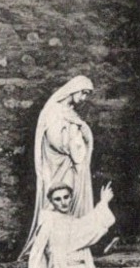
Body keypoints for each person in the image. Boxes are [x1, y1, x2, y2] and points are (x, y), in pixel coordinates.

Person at [20, 74, 94, 258]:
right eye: (83, 93)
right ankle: (52, 243)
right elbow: (54, 138)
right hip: (57, 164)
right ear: (74, 89)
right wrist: (72, 144)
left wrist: (81, 135)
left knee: (71, 201)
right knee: (57, 201)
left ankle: (72, 242)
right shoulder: (54, 110)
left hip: (70, 163)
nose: (84, 99)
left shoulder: (70, 111)